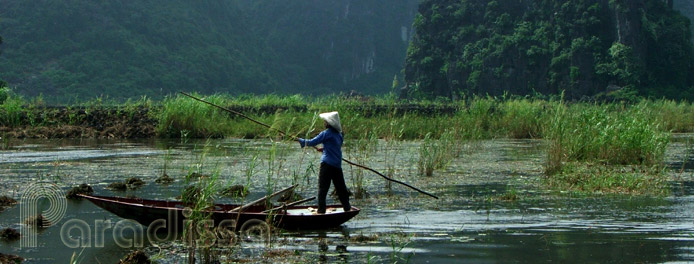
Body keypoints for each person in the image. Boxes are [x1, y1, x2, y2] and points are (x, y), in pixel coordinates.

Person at [298, 111, 351, 214]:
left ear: (329, 123)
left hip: (327, 165)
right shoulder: (339, 135)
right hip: (336, 165)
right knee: (341, 188)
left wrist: (300, 140)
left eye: (325, 121)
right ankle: (347, 207)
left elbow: (312, 142)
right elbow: (335, 146)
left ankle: (321, 210)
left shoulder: (326, 133)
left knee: (323, 188)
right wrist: (324, 149)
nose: (324, 123)